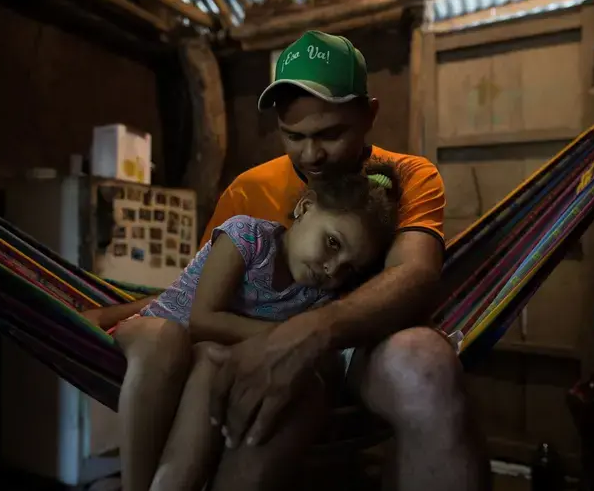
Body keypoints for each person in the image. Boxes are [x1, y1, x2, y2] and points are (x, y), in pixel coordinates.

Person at [86, 30, 489, 491]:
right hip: (256, 357)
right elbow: (198, 296)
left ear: (368, 114)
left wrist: (310, 335)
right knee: (254, 384)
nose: (311, 154)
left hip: (363, 349)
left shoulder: (404, 179)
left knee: (427, 365)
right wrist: (112, 313)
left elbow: (413, 274)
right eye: (293, 136)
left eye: (331, 134)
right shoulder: (247, 195)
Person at [84, 161, 404, 491]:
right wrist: (292, 337)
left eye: (347, 268)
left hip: (201, 366)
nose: (331, 268)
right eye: (333, 243)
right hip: (153, 335)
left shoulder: (317, 299)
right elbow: (203, 319)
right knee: (169, 339)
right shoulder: (246, 238)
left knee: (215, 361)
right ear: (305, 208)